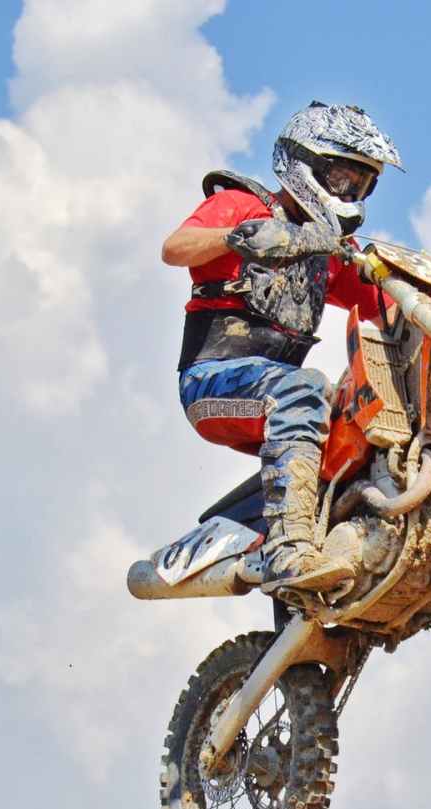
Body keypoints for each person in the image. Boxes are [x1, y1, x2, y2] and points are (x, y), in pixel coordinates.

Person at [161, 102, 402, 593]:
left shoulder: (327, 251)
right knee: (306, 387)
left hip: (280, 397)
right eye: (341, 178)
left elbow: (389, 305)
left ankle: (324, 568)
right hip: (213, 380)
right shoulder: (245, 206)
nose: (349, 194)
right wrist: (240, 238)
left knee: (359, 419)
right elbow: (175, 248)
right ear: (305, 163)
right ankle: (289, 553)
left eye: (361, 185)